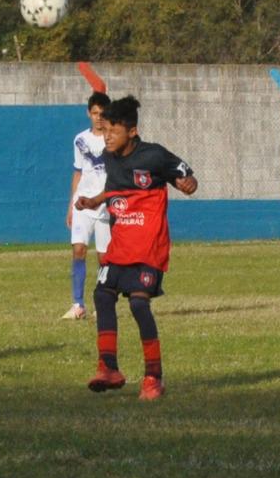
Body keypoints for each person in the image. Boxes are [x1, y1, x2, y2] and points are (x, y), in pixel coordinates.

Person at [74, 95, 198, 400]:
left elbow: (185, 175)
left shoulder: (154, 155)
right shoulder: (110, 157)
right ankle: (108, 368)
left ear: (132, 131)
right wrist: (94, 201)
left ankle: (154, 378)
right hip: (121, 245)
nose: (107, 137)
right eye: (105, 131)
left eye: (113, 131)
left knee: (139, 305)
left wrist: (188, 183)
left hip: (149, 248)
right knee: (102, 295)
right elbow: (115, 190)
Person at [63, 91, 112, 320]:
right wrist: (71, 205)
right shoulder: (80, 140)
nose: (98, 117)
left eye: (102, 113)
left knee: (104, 257)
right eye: (95, 113)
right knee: (78, 250)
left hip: (105, 206)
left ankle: (103, 304)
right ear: (88, 114)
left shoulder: (114, 139)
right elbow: (78, 172)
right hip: (82, 203)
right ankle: (78, 304)